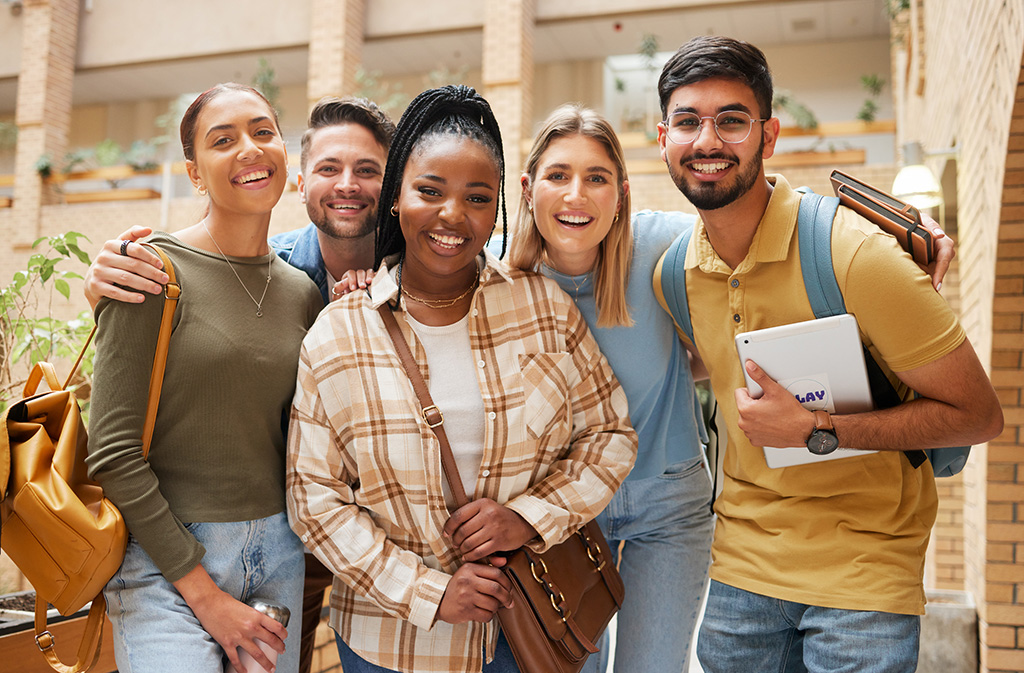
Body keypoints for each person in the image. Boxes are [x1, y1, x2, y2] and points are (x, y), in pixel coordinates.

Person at [652, 36, 1003, 673]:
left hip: (863, 576)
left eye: (732, 120)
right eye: (687, 121)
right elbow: (697, 360)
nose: (707, 141)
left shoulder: (855, 254)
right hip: (740, 575)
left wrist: (817, 430)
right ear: (663, 139)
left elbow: (979, 416)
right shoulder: (675, 274)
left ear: (769, 134)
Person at [286, 85, 638, 673]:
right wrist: (429, 592)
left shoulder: (541, 306)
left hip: (527, 629)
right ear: (395, 198)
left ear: (497, 207)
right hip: (391, 643)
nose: (453, 215)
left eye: (477, 197)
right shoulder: (336, 335)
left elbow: (610, 436)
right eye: (429, 191)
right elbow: (313, 499)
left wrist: (527, 516)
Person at [82, 96, 396, 673]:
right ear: (194, 172)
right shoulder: (152, 271)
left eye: (262, 131)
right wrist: (205, 596)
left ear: (282, 154)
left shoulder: (301, 290)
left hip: (280, 552)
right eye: (223, 139)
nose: (249, 148)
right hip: (167, 560)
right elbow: (112, 453)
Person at [507, 104, 712, 673]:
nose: (577, 195)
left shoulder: (666, 248)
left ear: (620, 192)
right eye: (558, 176)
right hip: (564, 515)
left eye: (596, 178)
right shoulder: (501, 289)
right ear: (528, 189)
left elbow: (754, 281)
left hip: (668, 506)